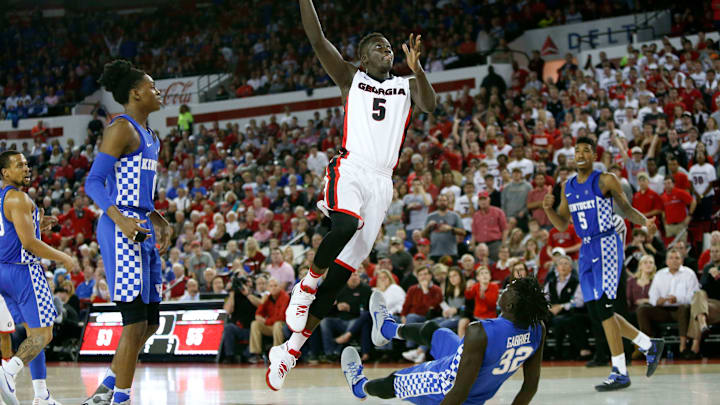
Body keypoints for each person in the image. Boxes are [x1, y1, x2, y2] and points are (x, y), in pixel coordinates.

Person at [267, 0, 437, 391]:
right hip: (351, 167)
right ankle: (306, 282)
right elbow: (316, 38)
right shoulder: (350, 78)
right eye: (378, 47)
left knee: (339, 279)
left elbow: (430, 105)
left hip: (382, 181)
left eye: (389, 47)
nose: (387, 51)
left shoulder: (405, 85)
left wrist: (419, 70)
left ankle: (289, 352)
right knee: (345, 221)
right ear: (362, 57)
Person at [82, 60, 172, 405]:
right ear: (135, 93)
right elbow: (93, 182)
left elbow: (138, 190)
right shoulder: (120, 128)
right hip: (121, 227)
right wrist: (121, 220)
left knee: (151, 323)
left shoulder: (151, 136)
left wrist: (157, 216)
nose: (157, 90)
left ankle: (110, 379)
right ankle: (119, 398)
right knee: (134, 323)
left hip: (142, 223)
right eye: (152, 85)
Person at [542, 136, 664, 391]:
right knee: (598, 312)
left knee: (606, 309)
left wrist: (645, 222)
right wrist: (549, 211)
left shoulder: (605, 179)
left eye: (586, 150)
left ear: (594, 156)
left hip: (607, 243)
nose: (581, 153)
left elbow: (626, 208)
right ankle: (648, 344)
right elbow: (563, 224)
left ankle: (620, 370)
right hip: (586, 249)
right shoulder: (568, 186)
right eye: (577, 150)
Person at [340, 277, 549, 404]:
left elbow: (458, 390)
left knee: (394, 382)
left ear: (511, 306)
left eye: (509, 290)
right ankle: (387, 329)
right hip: (478, 387)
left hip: (444, 386)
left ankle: (360, 386)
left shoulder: (481, 331)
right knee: (435, 332)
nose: (503, 289)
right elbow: (530, 386)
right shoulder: (537, 328)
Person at [0, 150, 78, 405]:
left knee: (35, 332)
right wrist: (63, 257)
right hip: (24, 272)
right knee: (44, 335)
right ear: (5, 172)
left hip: (4, 271)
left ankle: (41, 395)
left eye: (26, 163)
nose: (26, 168)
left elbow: (12, 233)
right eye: (18, 165)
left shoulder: (3, 199)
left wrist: (39, 225)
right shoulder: (19, 198)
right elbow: (29, 243)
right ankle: (8, 371)